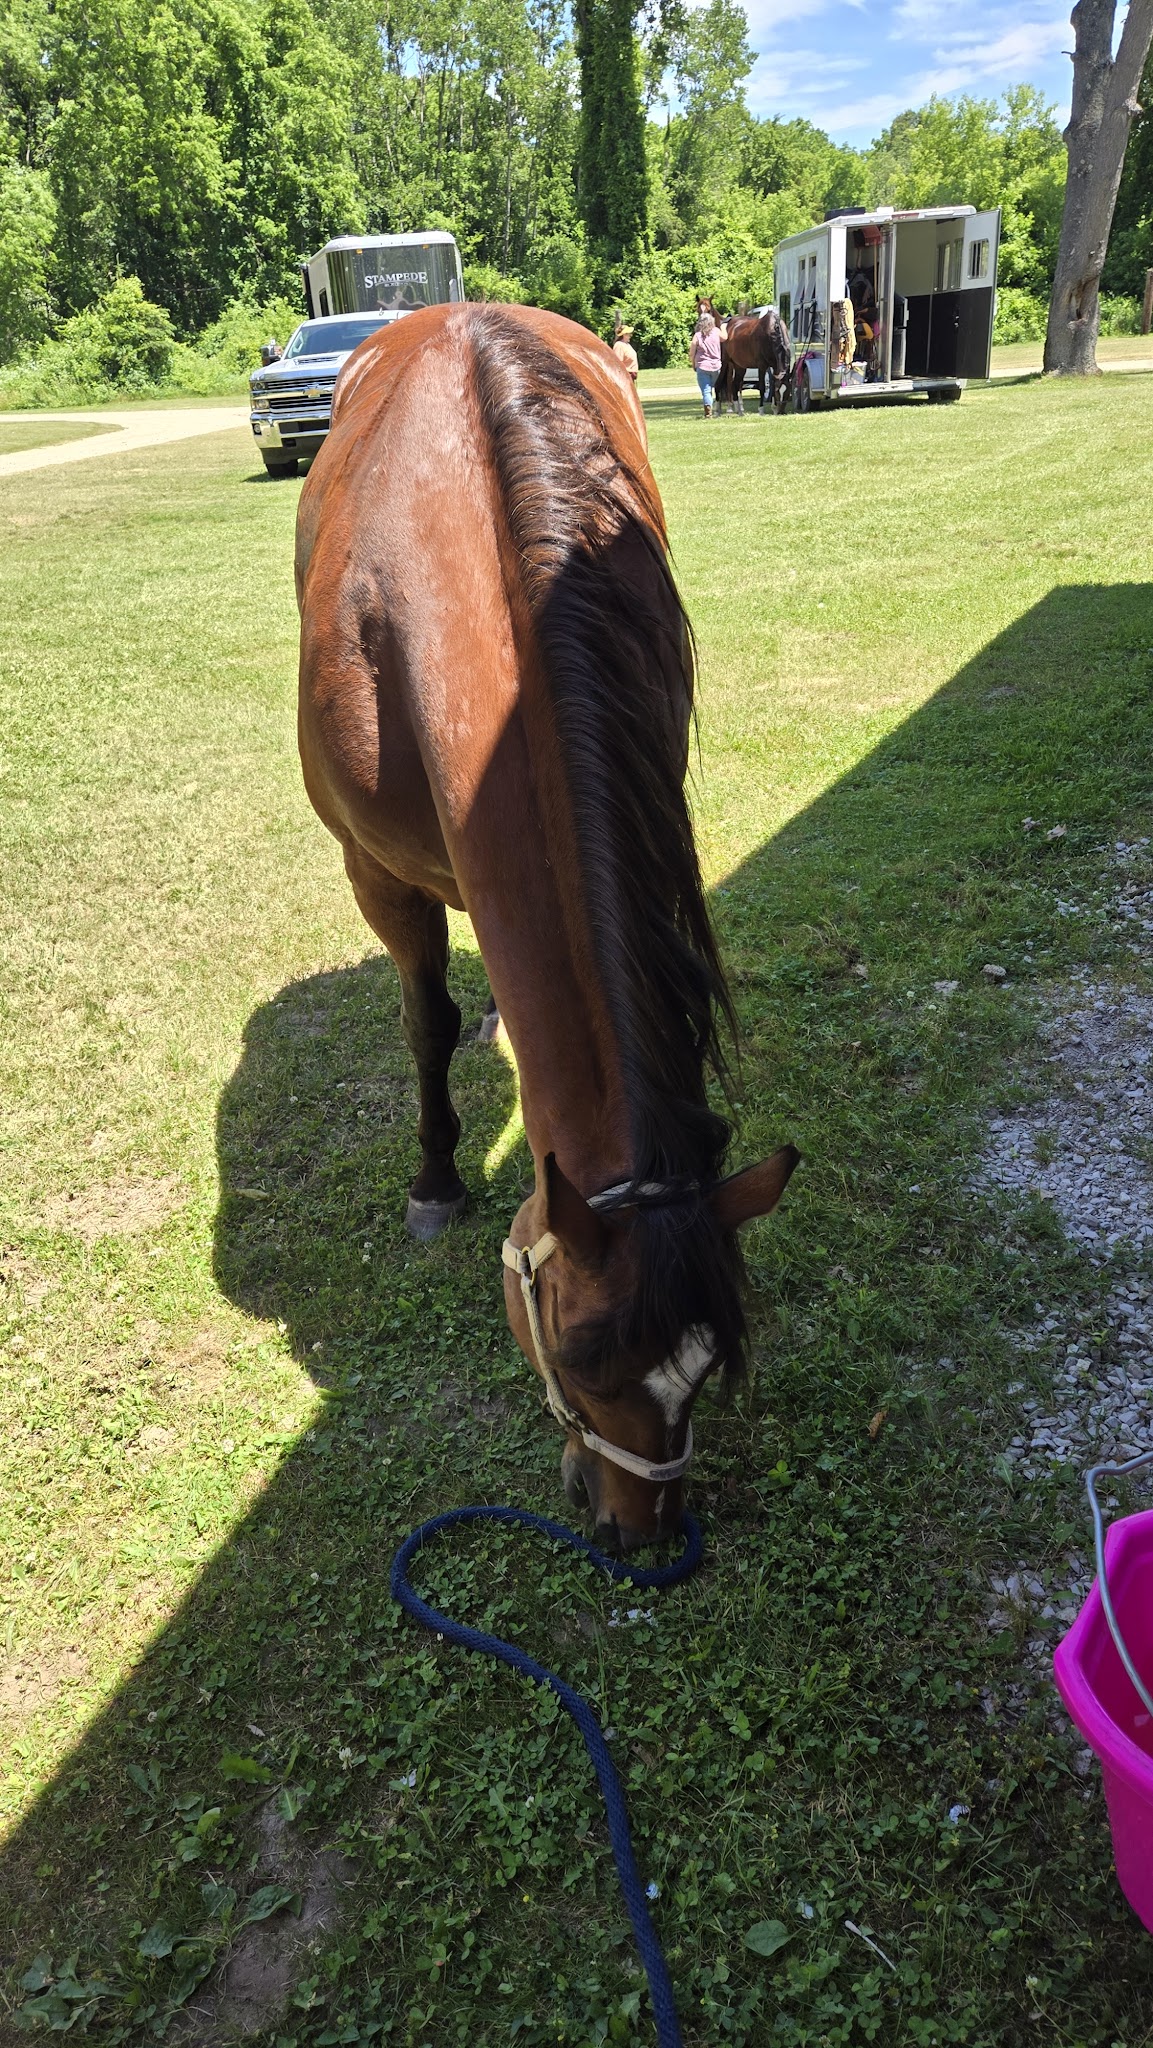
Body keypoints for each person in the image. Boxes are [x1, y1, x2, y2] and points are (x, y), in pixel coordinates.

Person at [689, 311, 721, 417]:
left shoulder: (697, 336)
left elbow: (691, 353)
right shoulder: (716, 331)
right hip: (716, 366)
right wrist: (724, 326)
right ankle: (719, 407)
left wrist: (693, 363)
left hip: (702, 366)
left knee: (706, 391)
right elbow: (725, 337)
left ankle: (708, 411)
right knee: (717, 388)